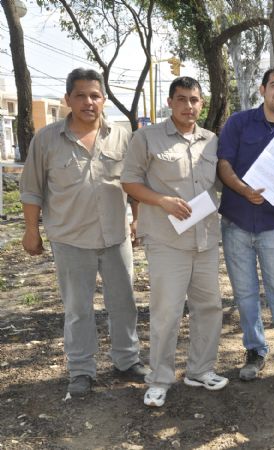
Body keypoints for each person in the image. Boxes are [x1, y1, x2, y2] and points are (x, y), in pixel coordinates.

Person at [20, 68, 149, 397]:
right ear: (67, 100)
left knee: (124, 304)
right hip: (70, 239)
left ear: (104, 99)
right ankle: (81, 370)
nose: (88, 102)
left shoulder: (122, 135)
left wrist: (137, 220)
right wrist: (31, 230)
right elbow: (32, 189)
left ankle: (126, 360)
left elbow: (134, 184)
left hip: (115, 237)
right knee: (78, 309)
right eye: (80, 95)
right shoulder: (47, 140)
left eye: (94, 95)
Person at [121, 77, 228, 407]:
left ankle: (200, 370)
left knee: (209, 307)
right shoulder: (147, 138)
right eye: (182, 99)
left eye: (195, 100)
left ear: (201, 103)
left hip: (206, 240)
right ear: (170, 102)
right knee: (166, 312)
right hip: (167, 241)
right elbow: (129, 182)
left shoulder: (211, 140)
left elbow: (223, 180)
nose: (189, 106)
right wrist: (161, 201)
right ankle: (160, 378)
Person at [216, 66, 274, 389]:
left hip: (272, 226)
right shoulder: (239, 123)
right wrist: (243, 189)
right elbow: (224, 164)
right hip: (236, 224)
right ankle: (255, 352)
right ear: (262, 90)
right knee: (244, 294)